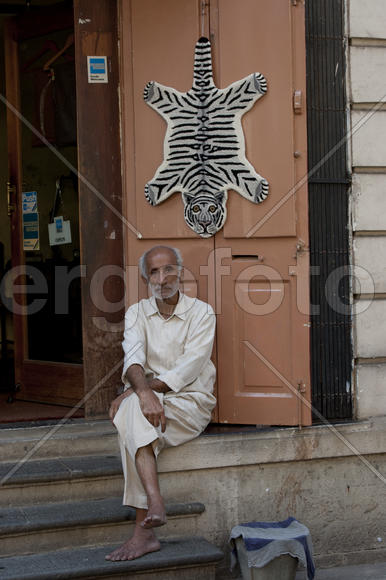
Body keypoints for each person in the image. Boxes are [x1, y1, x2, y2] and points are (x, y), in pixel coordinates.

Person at [105, 245, 216, 562]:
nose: (162, 277)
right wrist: (142, 393)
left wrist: (136, 392)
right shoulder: (136, 313)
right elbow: (133, 360)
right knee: (133, 412)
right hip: (149, 402)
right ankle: (154, 504)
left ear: (180, 272)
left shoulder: (202, 313)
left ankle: (144, 530)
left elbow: (187, 369)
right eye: (154, 272)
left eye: (168, 269)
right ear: (145, 279)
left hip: (189, 402)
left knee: (128, 411)